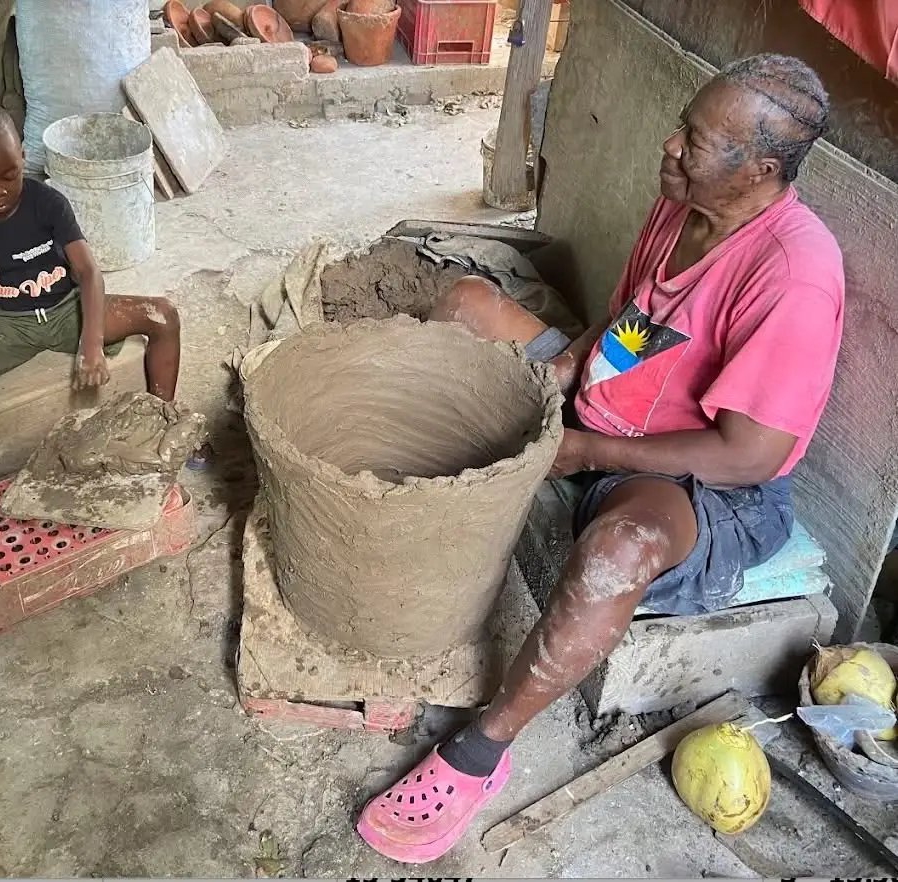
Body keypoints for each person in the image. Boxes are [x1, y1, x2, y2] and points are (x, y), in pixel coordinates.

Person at [356, 54, 844, 864]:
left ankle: (480, 753)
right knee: (465, 307)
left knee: (617, 554)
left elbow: (752, 453)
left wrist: (588, 448)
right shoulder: (687, 205)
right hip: (611, 409)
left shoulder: (794, 274)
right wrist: (561, 377)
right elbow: (637, 322)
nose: (671, 146)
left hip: (700, 479)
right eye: (683, 126)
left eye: (695, 140)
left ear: (760, 171)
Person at [0, 100, 181, 500]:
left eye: (9, 175)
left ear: (23, 156)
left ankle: (164, 425)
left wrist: (92, 343)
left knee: (163, 316)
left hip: (68, 313)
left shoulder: (47, 202)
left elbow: (89, 273)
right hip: (5, 324)